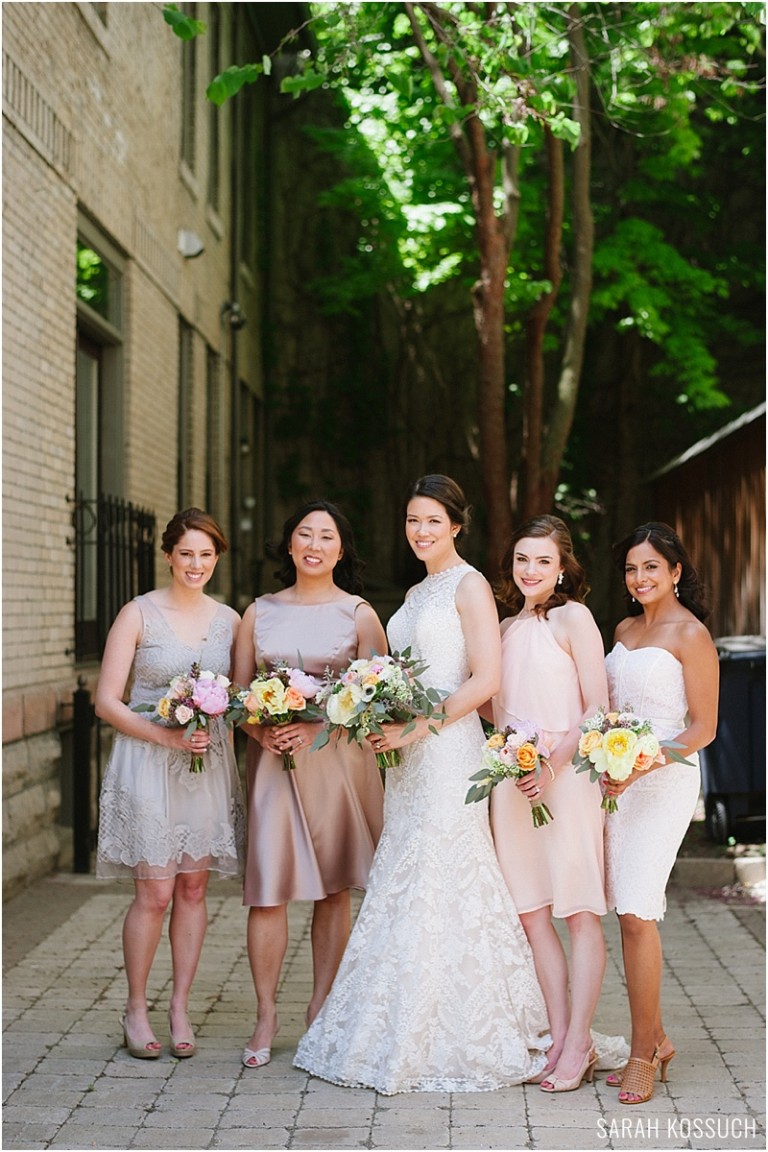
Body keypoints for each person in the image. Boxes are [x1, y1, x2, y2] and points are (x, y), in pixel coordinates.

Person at [294, 475, 550, 1094]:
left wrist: (417, 729)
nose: (421, 531)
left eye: (433, 520)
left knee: (446, 870)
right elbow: (397, 673)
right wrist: (379, 713)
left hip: (446, 752)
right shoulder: (413, 592)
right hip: (406, 760)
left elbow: (485, 679)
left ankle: (468, 1028)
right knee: (406, 870)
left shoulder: (469, 587)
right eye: (412, 520)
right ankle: (395, 1020)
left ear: (457, 525)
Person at [234, 499, 387, 1070]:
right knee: (268, 887)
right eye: (304, 534)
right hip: (275, 762)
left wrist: (317, 722)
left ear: (340, 550)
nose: (314, 544)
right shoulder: (259, 613)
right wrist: (261, 729)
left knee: (334, 886)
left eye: (326, 536)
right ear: (290, 545)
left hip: (337, 762)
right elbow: (238, 694)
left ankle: (321, 1005)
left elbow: (377, 696)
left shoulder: (359, 615)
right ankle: (266, 1012)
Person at [96, 508, 244, 1060]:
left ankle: (180, 1005)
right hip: (148, 762)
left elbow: (240, 696)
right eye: (186, 554)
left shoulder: (229, 619)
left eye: (206, 555)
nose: (196, 564)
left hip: (204, 768)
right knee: (155, 891)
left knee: (193, 888)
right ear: (168, 556)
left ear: (216, 559)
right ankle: (136, 1007)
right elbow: (107, 700)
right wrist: (167, 737)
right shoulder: (138, 614)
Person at [487, 515, 625, 1092]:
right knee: (531, 912)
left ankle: (581, 1042)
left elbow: (596, 705)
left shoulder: (574, 618)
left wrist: (550, 765)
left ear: (564, 565)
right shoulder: (500, 629)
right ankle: (563, 1037)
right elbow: (495, 712)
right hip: (512, 784)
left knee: (577, 911)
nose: (531, 570)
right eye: (522, 559)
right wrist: (512, 764)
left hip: (565, 778)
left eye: (543, 560)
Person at [603, 522, 719, 1104]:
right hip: (617, 783)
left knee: (635, 911)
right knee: (623, 911)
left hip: (664, 781)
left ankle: (642, 1051)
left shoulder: (691, 634)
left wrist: (645, 762)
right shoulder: (623, 628)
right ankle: (658, 1038)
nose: (640, 577)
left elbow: (704, 728)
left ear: (675, 571)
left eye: (652, 566)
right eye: (631, 568)